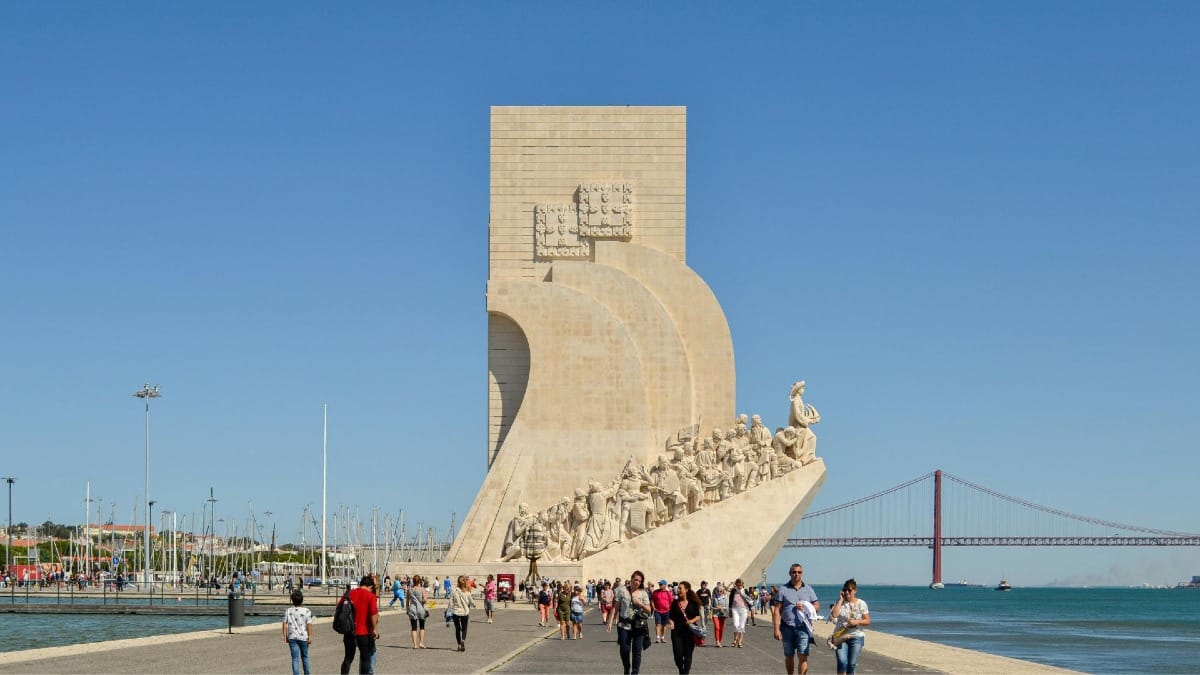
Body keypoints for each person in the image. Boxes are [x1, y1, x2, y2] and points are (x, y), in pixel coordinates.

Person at [773, 563, 821, 675]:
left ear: (802, 574)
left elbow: (817, 607)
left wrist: (806, 606)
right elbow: (777, 610)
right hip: (787, 627)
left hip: (803, 627)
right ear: (790, 574)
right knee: (789, 655)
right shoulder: (783, 589)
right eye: (794, 572)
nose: (796, 574)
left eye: (799, 572)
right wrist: (776, 629)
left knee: (803, 654)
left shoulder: (808, 589)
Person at [614, 570, 653, 675]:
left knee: (637, 652)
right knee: (624, 651)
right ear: (631, 579)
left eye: (639, 581)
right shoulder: (622, 591)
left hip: (638, 626)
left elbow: (649, 610)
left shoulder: (643, 593)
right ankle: (626, 669)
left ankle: (635, 672)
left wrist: (640, 604)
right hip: (624, 625)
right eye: (635, 579)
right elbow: (616, 607)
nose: (637, 582)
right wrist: (611, 621)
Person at [338, 576, 379, 675]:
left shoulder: (349, 594)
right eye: (371, 588)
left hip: (349, 631)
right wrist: (375, 629)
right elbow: (373, 614)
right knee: (365, 658)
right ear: (370, 586)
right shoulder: (370, 596)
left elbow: (339, 607)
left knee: (348, 658)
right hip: (363, 632)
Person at [830, 579, 870, 675]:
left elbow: (867, 621)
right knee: (842, 662)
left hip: (856, 636)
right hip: (841, 636)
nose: (847, 592)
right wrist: (840, 600)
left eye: (850, 590)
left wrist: (857, 621)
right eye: (845, 590)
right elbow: (834, 615)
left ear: (855, 591)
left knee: (851, 665)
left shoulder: (861, 603)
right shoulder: (840, 602)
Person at [668, 580, 702, 674]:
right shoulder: (675, 603)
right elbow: (670, 617)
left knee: (688, 655)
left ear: (686, 590)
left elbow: (698, 616)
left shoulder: (693, 603)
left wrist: (691, 621)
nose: (678, 590)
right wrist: (671, 623)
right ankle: (681, 670)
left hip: (690, 632)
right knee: (677, 655)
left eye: (680, 588)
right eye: (677, 588)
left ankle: (685, 673)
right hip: (676, 633)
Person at [282, 589, 313, 675]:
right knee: (305, 657)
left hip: (292, 637)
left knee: (295, 658)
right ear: (302, 600)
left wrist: (285, 636)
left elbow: (284, 624)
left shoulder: (288, 611)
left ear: (292, 600)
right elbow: (309, 625)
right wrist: (310, 636)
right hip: (304, 637)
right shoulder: (307, 611)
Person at [450, 575, 474, 652]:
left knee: (457, 629)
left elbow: (450, 602)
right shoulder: (467, 592)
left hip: (456, 612)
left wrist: (449, 610)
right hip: (464, 612)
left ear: (458, 582)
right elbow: (471, 601)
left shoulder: (454, 591)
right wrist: (474, 604)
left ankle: (459, 645)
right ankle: (463, 640)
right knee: (464, 628)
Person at [729, 578, 753, 648]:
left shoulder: (745, 591)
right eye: (738, 585)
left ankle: (739, 641)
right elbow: (730, 600)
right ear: (736, 585)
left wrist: (749, 611)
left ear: (743, 585)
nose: (739, 587)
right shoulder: (734, 591)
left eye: (741, 585)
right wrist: (730, 610)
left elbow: (749, 600)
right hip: (735, 609)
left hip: (743, 610)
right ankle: (735, 639)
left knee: (742, 626)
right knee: (736, 625)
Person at [407, 574, 429, 649]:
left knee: (413, 627)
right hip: (420, 609)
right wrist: (425, 598)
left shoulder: (409, 589)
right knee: (422, 626)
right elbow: (425, 600)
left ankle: (415, 645)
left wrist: (407, 609)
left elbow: (407, 600)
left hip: (412, 609)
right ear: (420, 581)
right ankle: (421, 643)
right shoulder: (422, 589)